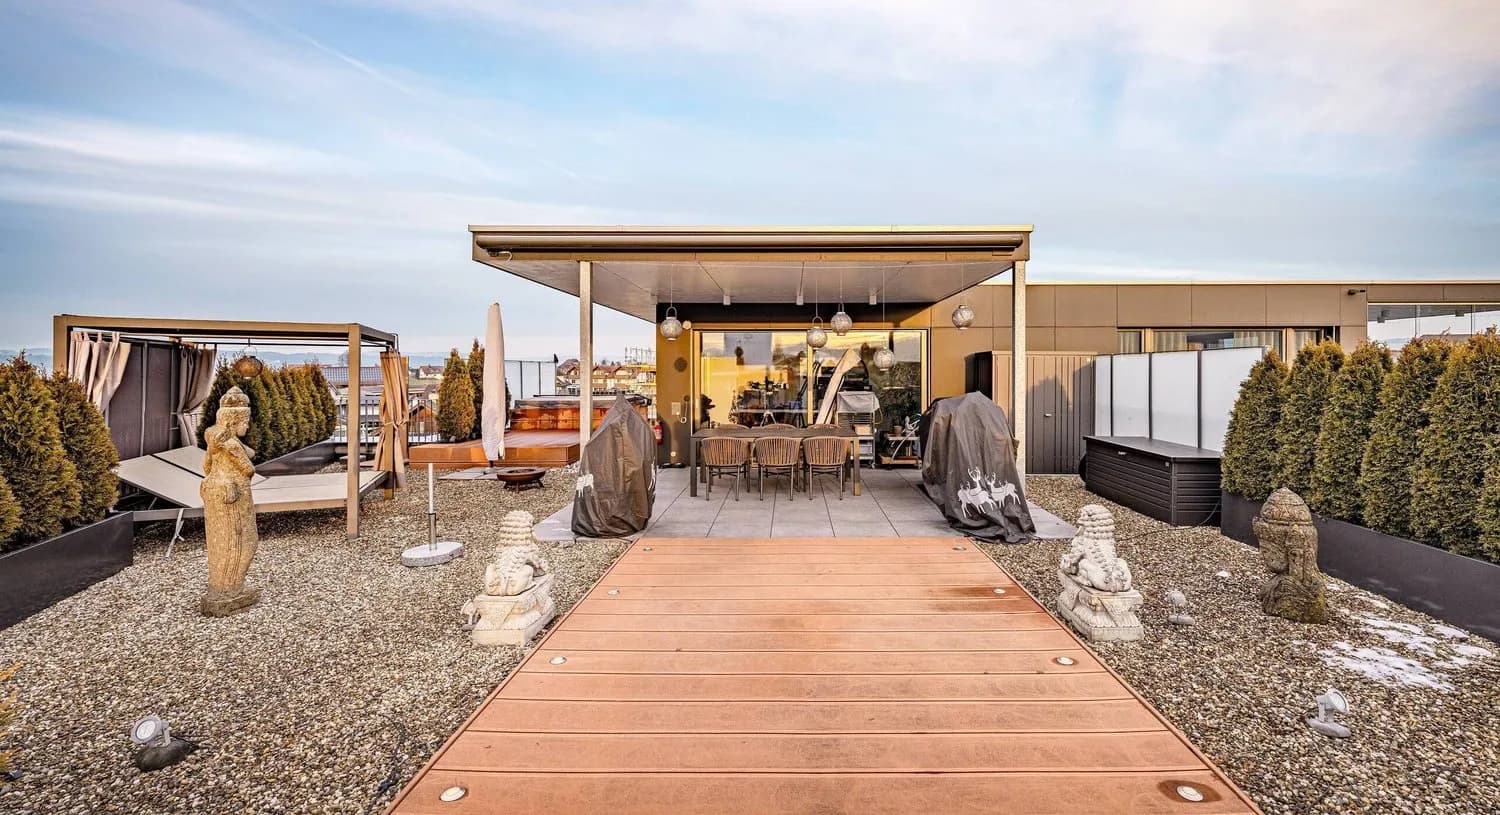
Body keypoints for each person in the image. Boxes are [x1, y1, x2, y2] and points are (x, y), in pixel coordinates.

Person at [200, 386, 261, 616]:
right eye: (245, 421)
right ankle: (231, 589)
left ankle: (220, 587)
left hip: (213, 488)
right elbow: (248, 468)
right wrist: (237, 447)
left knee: (220, 541)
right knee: (243, 541)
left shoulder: (215, 440)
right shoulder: (231, 445)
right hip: (232, 492)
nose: (248, 426)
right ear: (235, 421)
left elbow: (206, 466)